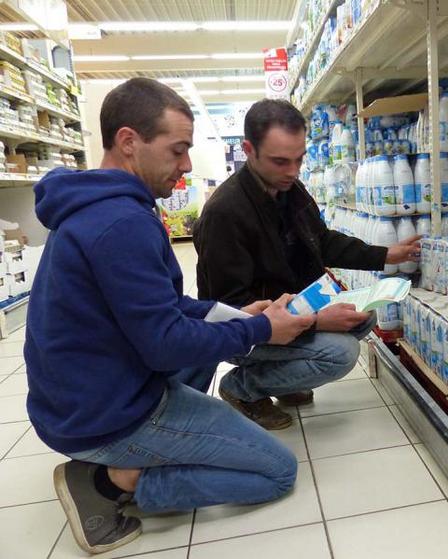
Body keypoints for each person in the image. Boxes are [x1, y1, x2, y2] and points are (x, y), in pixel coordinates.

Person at [24, 78, 315, 555]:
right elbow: (165, 342)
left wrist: (232, 314)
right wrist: (263, 329)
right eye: (178, 150)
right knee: (276, 471)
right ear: (128, 142)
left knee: (207, 337)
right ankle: (110, 483)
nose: (185, 166)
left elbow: (160, 306)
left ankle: (143, 454)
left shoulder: (99, 206)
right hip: (107, 415)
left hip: (82, 395)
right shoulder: (122, 223)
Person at [193, 99, 420, 429]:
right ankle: (241, 388)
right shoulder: (224, 214)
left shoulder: (289, 190)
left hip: (293, 308)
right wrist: (314, 321)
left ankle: (282, 380)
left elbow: (323, 241)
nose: (293, 171)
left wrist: (386, 255)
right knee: (341, 353)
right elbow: (232, 311)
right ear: (248, 150)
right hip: (243, 332)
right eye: (280, 161)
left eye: (298, 160)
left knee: (364, 317)